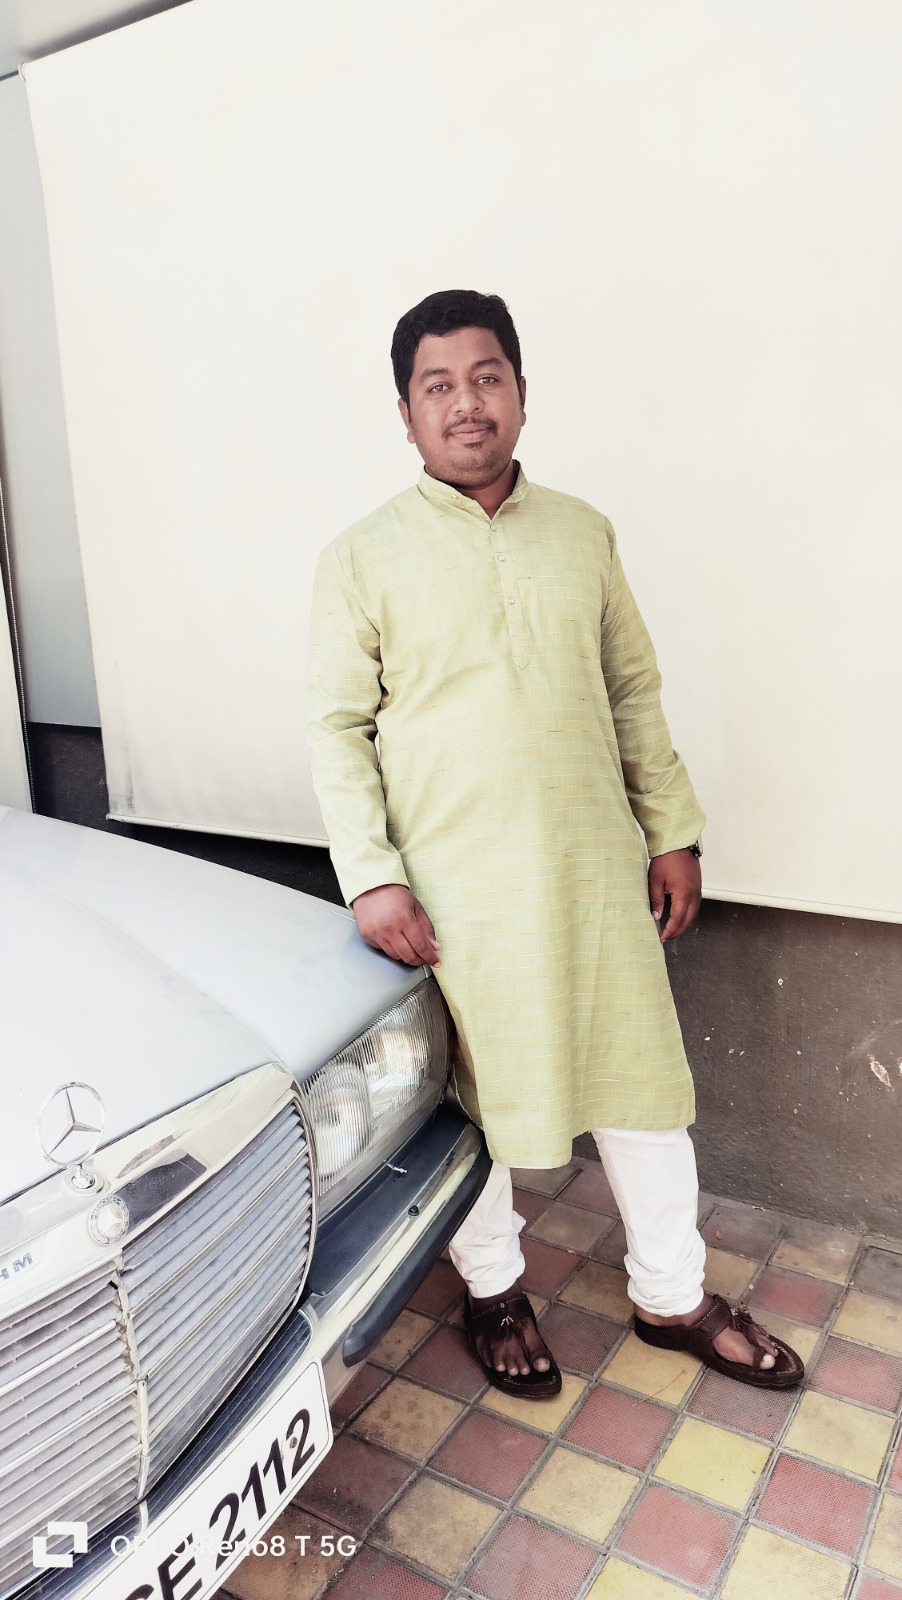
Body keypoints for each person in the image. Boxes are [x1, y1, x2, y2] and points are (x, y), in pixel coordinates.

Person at [307, 289, 802, 1395]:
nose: (466, 403)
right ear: (405, 413)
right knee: (472, 1101)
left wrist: (671, 831)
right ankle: (493, 1289)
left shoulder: (583, 533)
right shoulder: (361, 557)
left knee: (639, 1082)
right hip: (452, 891)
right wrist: (372, 878)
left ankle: (671, 1293)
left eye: (486, 377)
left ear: (521, 393)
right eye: (438, 385)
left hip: (590, 872)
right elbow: (337, 729)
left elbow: (630, 689)